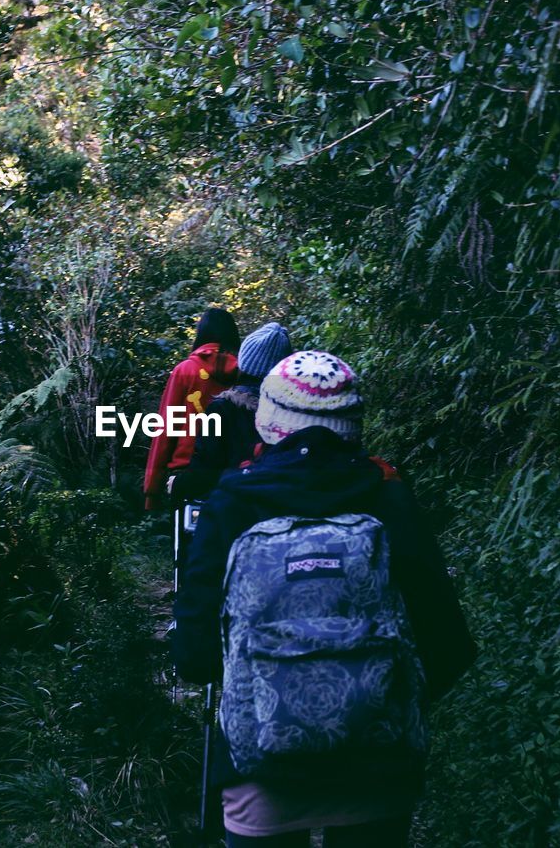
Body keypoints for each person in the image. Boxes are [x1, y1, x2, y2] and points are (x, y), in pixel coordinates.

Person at [173, 350, 476, 847]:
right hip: (376, 765)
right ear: (353, 424)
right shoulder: (388, 496)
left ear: (267, 420)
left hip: (262, 767)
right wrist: (378, 699)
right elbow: (447, 642)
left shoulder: (234, 501)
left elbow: (193, 654)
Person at [172, 321, 293, 501]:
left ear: (244, 362)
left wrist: (178, 484)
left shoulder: (223, 409)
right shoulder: (294, 413)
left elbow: (205, 472)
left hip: (231, 509)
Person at [144, 307, 240, 511]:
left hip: (185, 476)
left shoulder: (185, 371)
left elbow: (166, 429)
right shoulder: (244, 373)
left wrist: (152, 489)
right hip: (234, 475)